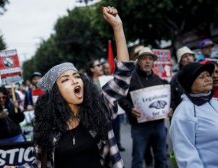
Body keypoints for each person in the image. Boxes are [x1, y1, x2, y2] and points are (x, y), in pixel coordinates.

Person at [32, 6, 135, 168]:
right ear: (56, 93)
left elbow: (122, 75)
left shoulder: (98, 110)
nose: (74, 81)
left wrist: (117, 27)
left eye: (76, 76)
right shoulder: (46, 130)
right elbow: (38, 165)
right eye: (65, 79)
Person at [118, 47, 169, 168]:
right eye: (144, 59)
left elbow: (168, 99)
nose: (147, 62)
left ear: (153, 62)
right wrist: (130, 109)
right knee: (138, 158)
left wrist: (170, 107)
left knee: (161, 156)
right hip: (139, 127)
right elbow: (120, 98)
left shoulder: (159, 80)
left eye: (150, 59)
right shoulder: (130, 79)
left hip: (159, 125)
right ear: (138, 61)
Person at [169, 62, 218, 167]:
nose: (208, 79)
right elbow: (186, 156)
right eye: (201, 77)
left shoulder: (214, 102)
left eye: (208, 75)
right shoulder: (183, 114)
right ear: (189, 83)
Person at [170, 46, 196, 112]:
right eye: (185, 56)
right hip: (184, 111)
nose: (188, 58)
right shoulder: (175, 78)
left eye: (190, 55)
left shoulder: (202, 73)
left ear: (193, 57)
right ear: (180, 61)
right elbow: (172, 99)